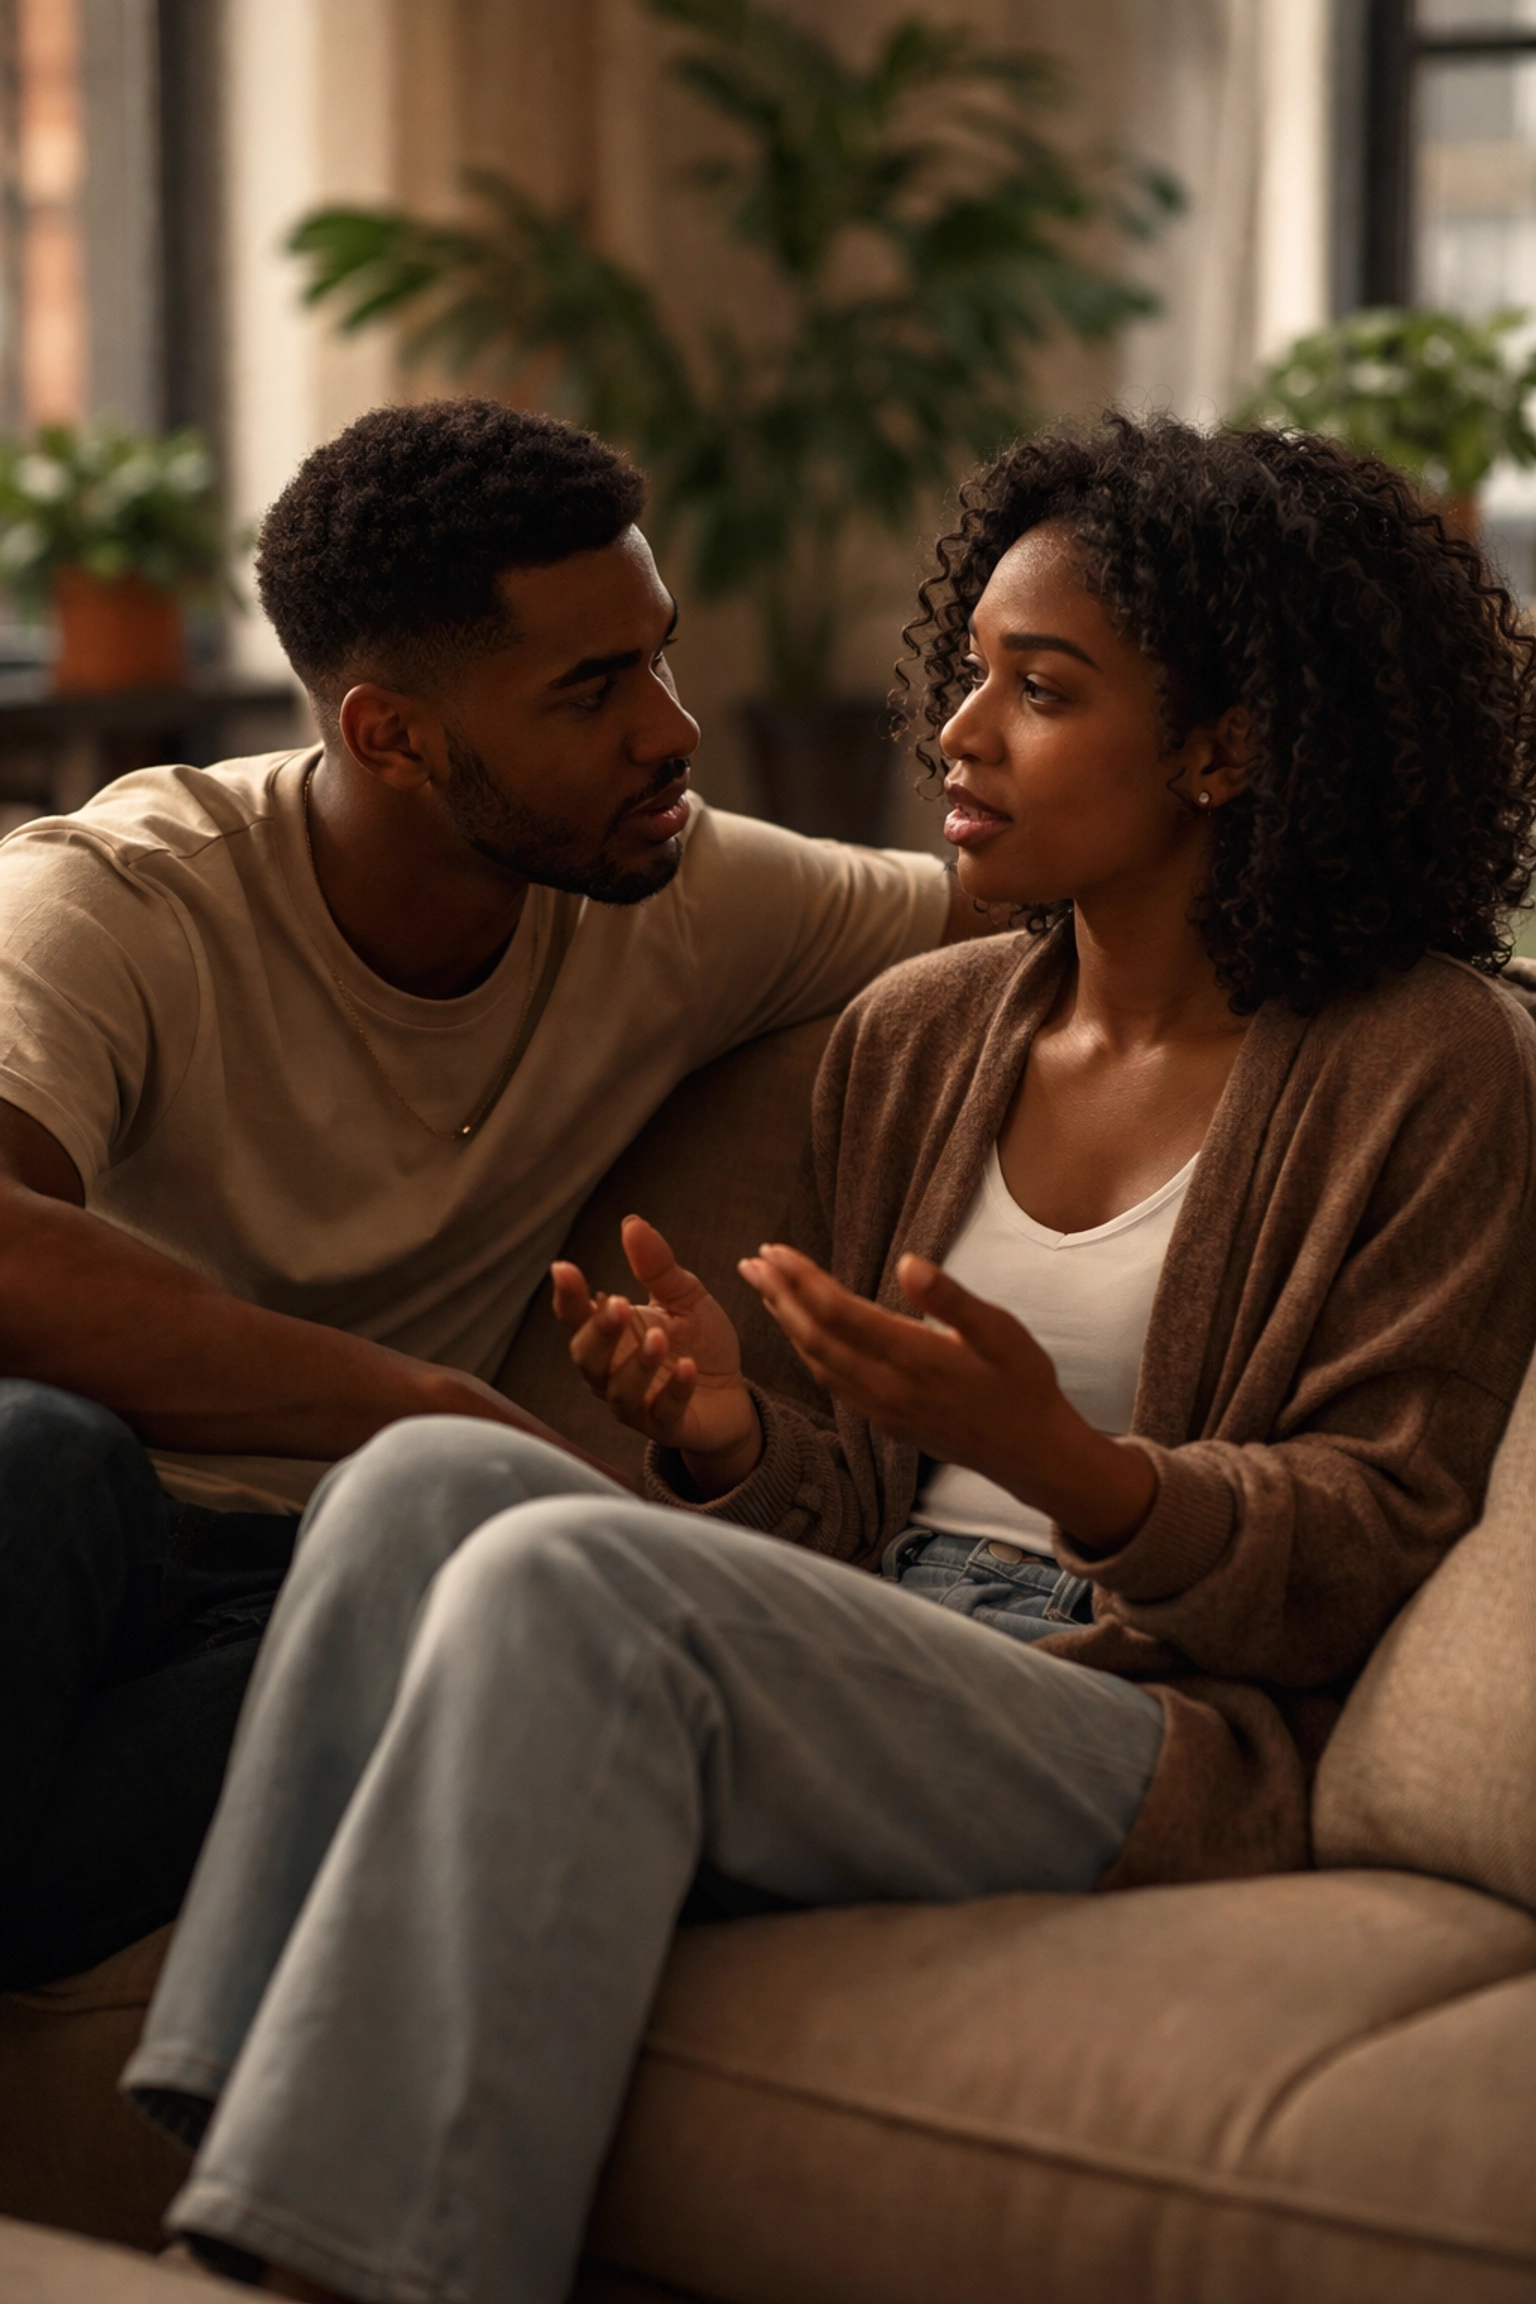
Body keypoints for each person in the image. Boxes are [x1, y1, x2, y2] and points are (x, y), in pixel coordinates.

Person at [127, 416, 1536, 2304]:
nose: (955, 737)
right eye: (970, 679)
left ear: (1230, 744)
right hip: (892, 1643)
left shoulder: (1427, 1068)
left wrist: (1064, 1458)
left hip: (1147, 1724)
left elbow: (1375, 1528)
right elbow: (856, 1512)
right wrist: (725, 1433)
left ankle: (340, 2273)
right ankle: (224, 2172)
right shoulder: (922, 1032)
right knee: (418, 1483)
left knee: (556, 1568)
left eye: (1040, 694)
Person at [0, 398, 979, 1988]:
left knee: (468, 1607)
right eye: (593, 689)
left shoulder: (684, 889)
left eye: (657, 654)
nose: (672, 727)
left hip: (314, 1587)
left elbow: (1017, 909)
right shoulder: (114, 902)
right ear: (388, 733)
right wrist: (427, 1410)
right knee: (34, 1449)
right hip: (72, 1544)